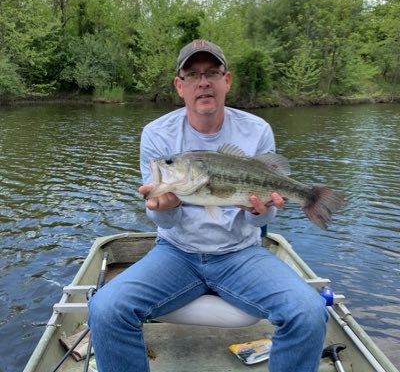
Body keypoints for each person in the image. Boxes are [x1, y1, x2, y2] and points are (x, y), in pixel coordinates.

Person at [88, 39, 328, 372]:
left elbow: (262, 218)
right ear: (180, 86)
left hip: (240, 254)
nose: (203, 82)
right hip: (176, 253)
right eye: (193, 74)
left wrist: (262, 211)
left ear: (226, 81)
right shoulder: (157, 135)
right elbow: (164, 222)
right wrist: (164, 207)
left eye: (212, 72)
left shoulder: (257, 130)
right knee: (104, 309)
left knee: (309, 312)